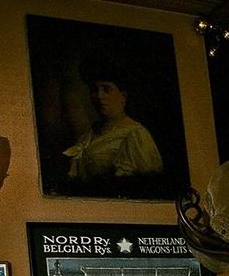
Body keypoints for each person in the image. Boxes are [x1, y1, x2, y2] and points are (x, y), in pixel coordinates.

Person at [63, 59, 163, 190]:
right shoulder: (87, 136)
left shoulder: (135, 136)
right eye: (94, 89)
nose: (99, 96)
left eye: (106, 89)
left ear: (123, 96)